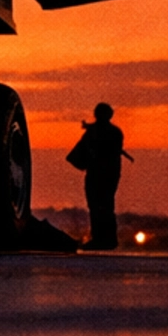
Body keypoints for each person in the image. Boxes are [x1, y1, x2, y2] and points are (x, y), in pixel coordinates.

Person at [72, 102, 133, 249]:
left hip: (102, 174)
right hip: (105, 174)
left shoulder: (104, 132)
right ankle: (104, 239)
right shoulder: (109, 132)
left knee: (101, 206)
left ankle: (104, 239)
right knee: (101, 206)